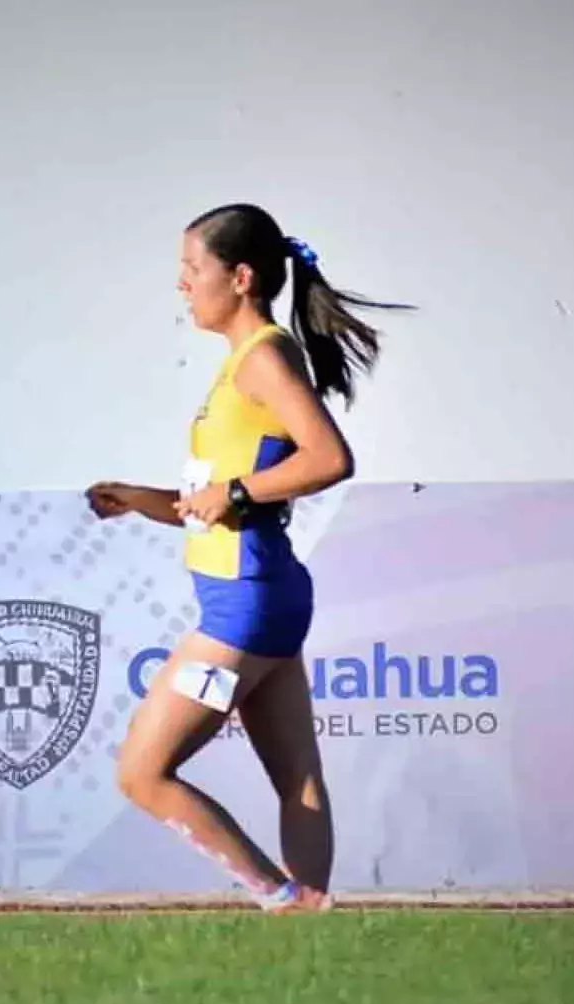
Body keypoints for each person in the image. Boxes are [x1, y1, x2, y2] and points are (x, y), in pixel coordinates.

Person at [86, 203, 408, 912]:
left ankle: (281, 896)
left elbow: (329, 458)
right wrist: (143, 497)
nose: (181, 286)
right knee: (298, 779)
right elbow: (222, 500)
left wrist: (232, 491)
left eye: (190, 270)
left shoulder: (262, 356)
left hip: (244, 606)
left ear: (240, 277)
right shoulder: (247, 360)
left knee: (142, 773)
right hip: (260, 593)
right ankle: (313, 925)